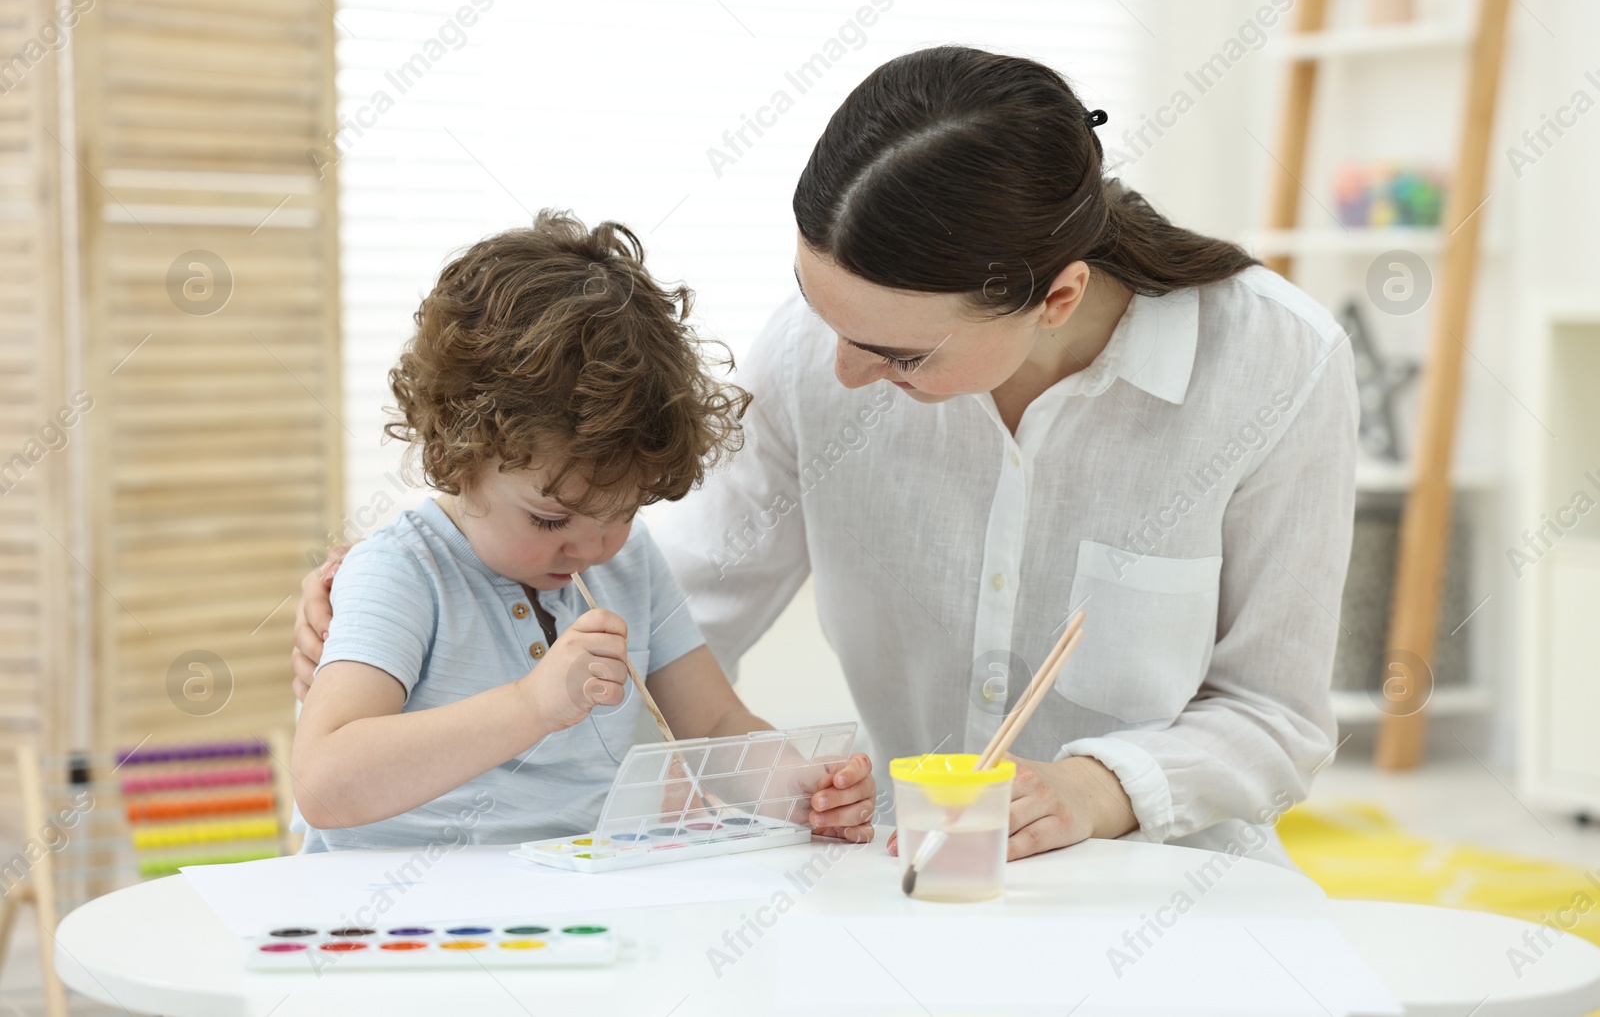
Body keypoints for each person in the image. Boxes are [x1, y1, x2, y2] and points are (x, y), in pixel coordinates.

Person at [294, 47, 1356, 866]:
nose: (838, 373)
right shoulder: (813, 357)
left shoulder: (1274, 365)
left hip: (1153, 879)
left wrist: (1090, 789)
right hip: (899, 873)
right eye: (820, 313)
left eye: (897, 353)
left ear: (1057, 298)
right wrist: (418, 642)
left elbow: (1274, 714)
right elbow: (675, 613)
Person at [291, 212, 875, 852]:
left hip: (565, 909)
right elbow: (324, 785)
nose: (592, 548)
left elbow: (713, 719)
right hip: (400, 923)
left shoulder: (626, 565)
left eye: (623, 514)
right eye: (550, 519)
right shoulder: (400, 574)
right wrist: (531, 705)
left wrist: (803, 788)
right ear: (457, 458)